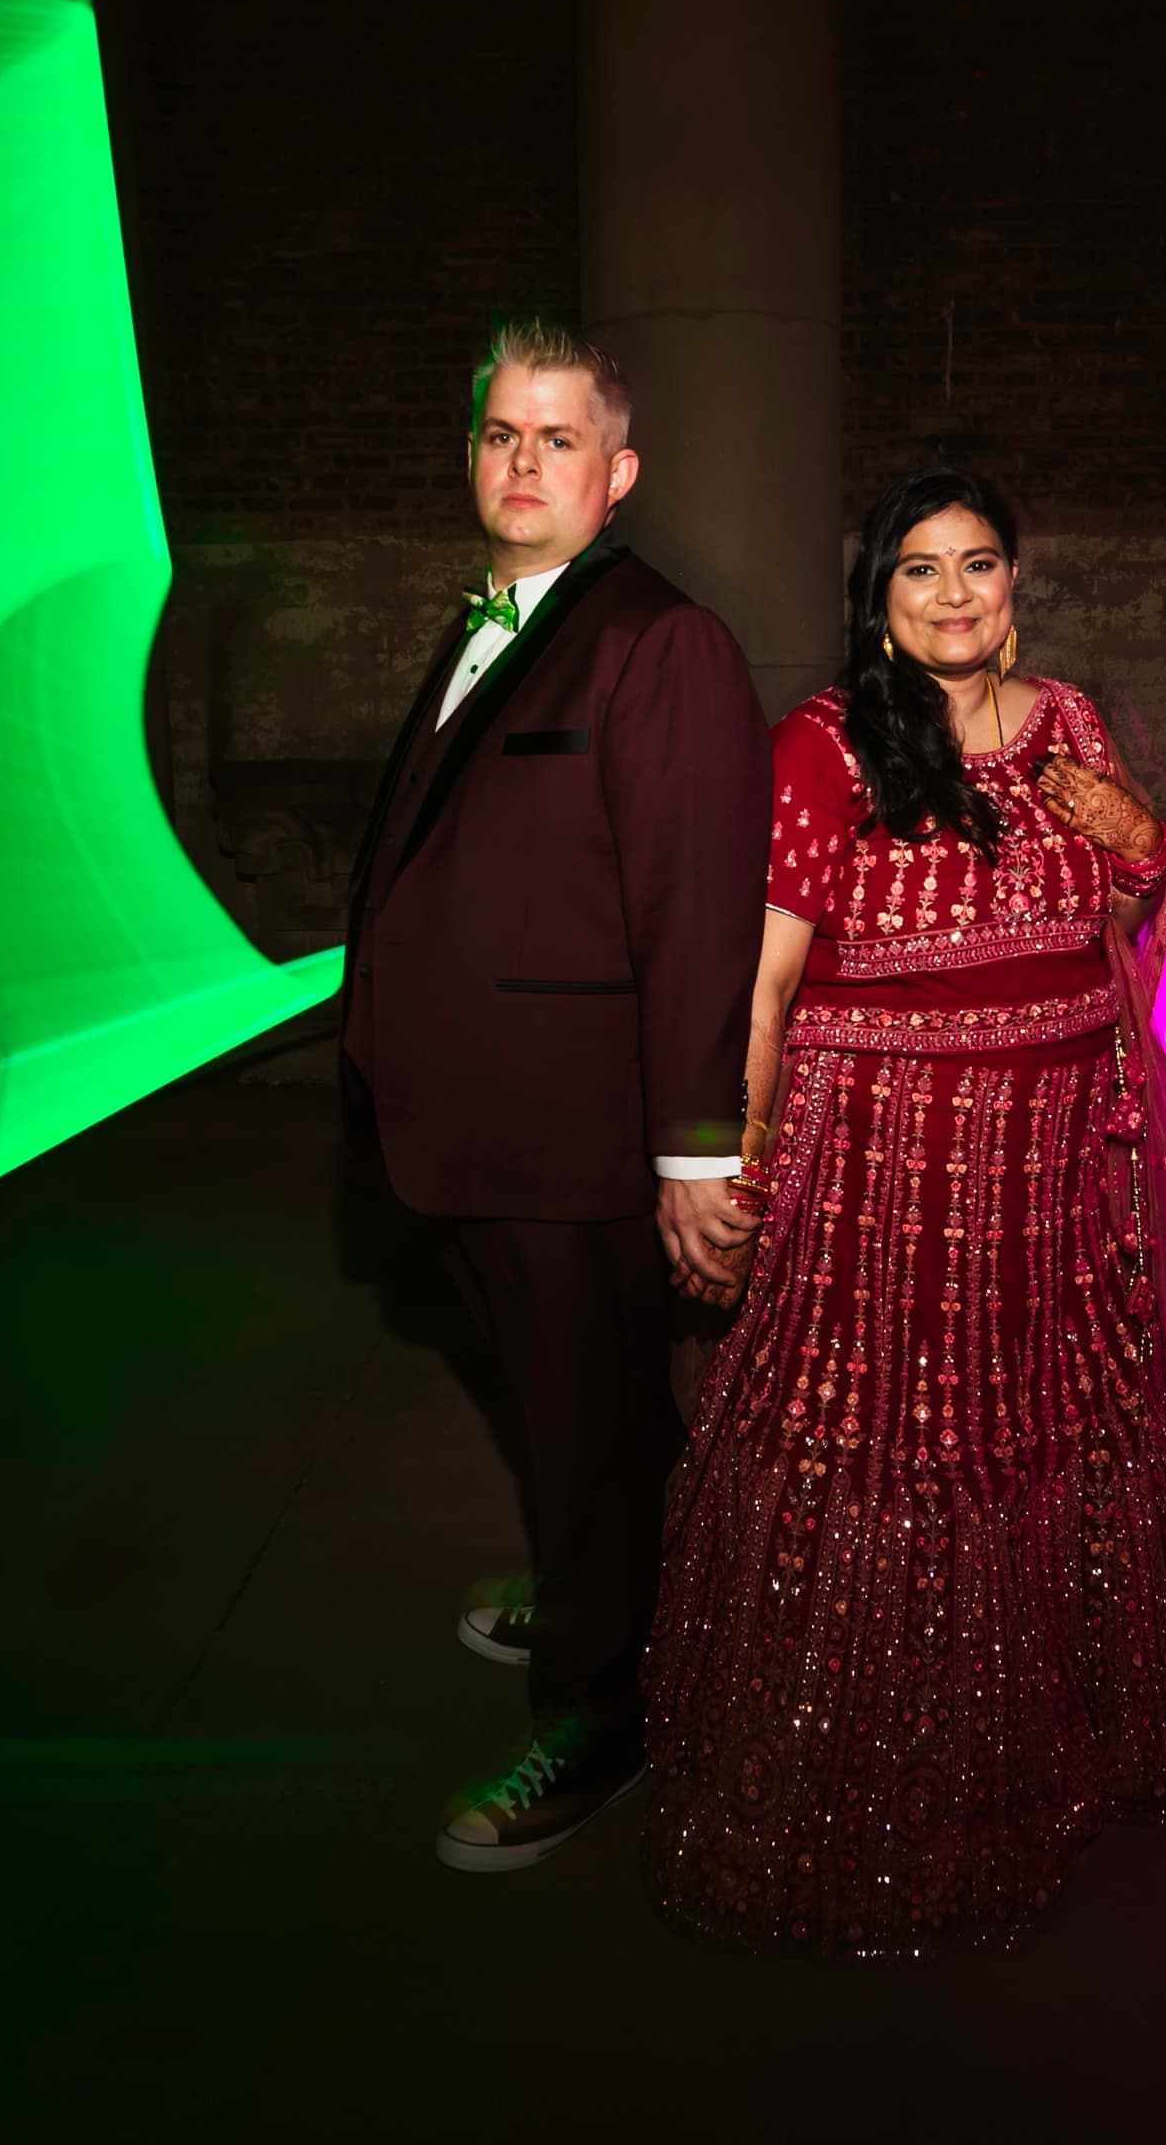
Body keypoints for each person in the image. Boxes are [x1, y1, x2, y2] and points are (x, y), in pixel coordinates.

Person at [640, 467, 1166, 1955]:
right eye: (920, 571)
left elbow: (1138, 911)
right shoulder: (824, 747)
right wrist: (719, 1163)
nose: (955, 594)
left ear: (1017, 581)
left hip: (1040, 1171)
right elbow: (759, 985)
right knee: (873, 1448)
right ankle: (839, 1797)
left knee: (1033, 1436)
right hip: (872, 1175)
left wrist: (1145, 835)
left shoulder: (1073, 726)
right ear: (878, 599)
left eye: (979, 565)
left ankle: (1033, 1771)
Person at [340, 319, 773, 1873]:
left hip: (575, 1140)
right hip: (460, 1129)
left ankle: (598, 1718)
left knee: (592, 1425)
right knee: (554, 1409)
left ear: (620, 472)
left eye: (559, 440)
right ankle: (598, 1578)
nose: (524, 465)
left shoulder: (662, 643)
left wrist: (693, 1158)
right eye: (502, 436)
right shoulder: (494, 613)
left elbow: (697, 915)